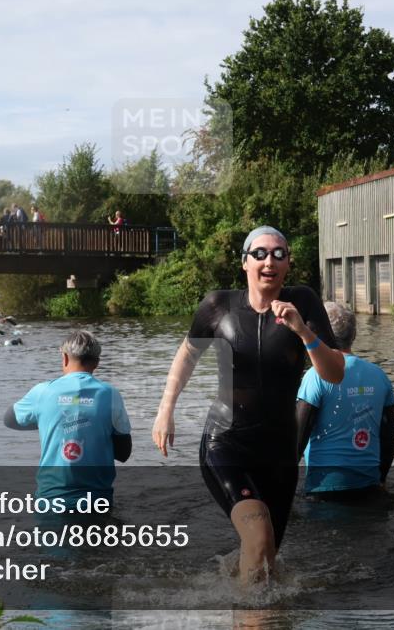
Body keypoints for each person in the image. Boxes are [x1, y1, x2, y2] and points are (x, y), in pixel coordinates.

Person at [151, 226, 344, 585]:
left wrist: (304, 332)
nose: (269, 260)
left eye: (278, 254)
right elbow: (187, 355)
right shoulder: (217, 305)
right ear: (244, 263)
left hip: (279, 453)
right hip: (225, 443)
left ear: (288, 264)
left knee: (267, 561)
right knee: (258, 536)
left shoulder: (303, 301)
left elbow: (335, 373)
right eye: (260, 253)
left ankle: (248, 609)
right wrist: (166, 410)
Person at [4, 331, 132, 503]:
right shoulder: (110, 394)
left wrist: (48, 421)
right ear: (96, 363)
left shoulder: (42, 391)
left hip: (51, 500)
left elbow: (9, 420)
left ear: (64, 357)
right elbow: (124, 453)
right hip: (97, 500)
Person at [297, 302, 394, 498]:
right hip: (369, 486)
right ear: (354, 335)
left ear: (319, 335)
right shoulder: (380, 376)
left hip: (324, 488)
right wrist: (381, 479)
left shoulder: (315, 376)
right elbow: (389, 439)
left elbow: (297, 439)